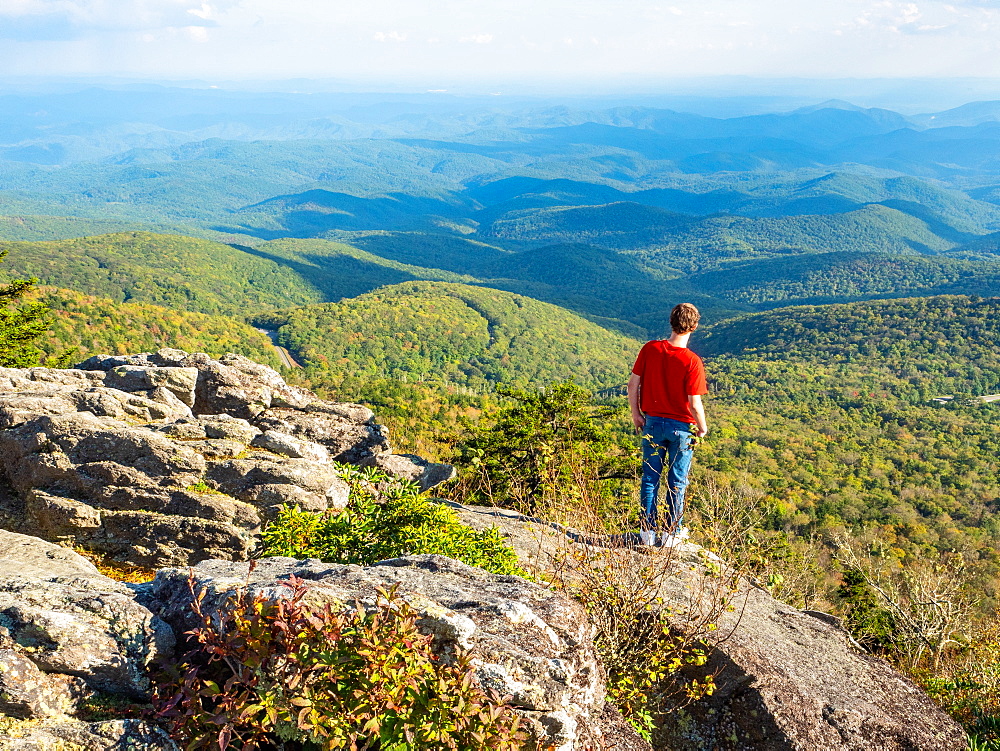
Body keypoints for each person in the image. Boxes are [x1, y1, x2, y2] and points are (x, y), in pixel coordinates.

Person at [627, 302, 708, 547]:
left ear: (671, 322)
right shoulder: (692, 361)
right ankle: (672, 532)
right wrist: (702, 427)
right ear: (694, 326)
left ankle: (647, 531)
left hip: (652, 423)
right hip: (682, 429)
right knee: (677, 480)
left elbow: (633, 385)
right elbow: (694, 403)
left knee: (650, 478)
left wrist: (636, 414)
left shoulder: (650, 349)